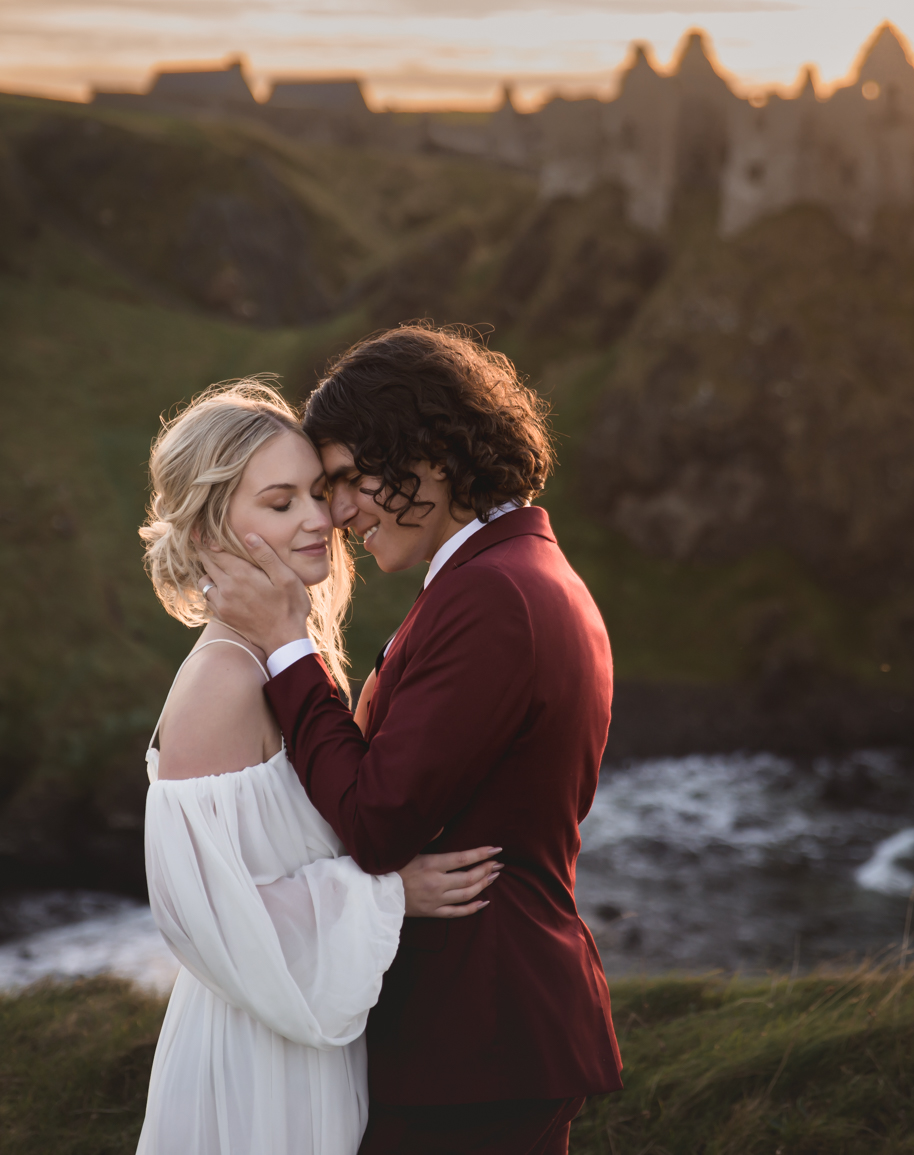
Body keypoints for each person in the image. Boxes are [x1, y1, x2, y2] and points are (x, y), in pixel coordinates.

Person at [200, 328, 624, 1155]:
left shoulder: (494, 596)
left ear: (427, 452)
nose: (338, 513)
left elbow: (375, 817)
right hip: (482, 1035)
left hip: (473, 1039)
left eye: (351, 479)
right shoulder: (516, 573)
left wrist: (289, 647)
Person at [133, 380, 504, 1155]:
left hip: (305, 1032)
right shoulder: (220, 683)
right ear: (207, 530)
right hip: (256, 1058)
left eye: (318, 491)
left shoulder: (279, 659)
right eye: (280, 502)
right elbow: (206, 914)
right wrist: (388, 892)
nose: (320, 518)